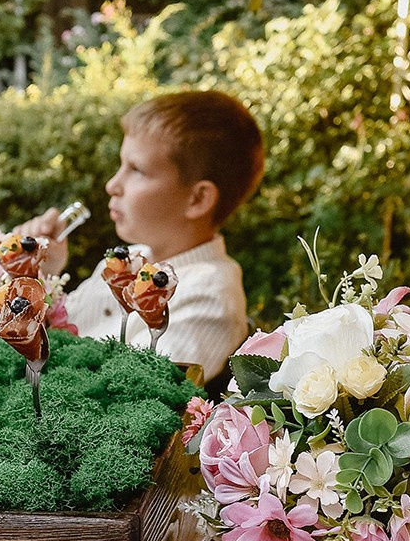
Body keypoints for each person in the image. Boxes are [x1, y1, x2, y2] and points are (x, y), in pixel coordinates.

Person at [31, 90, 264, 382]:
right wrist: (40, 274)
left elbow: (129, 394)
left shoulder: (209, 298)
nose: (112, 185)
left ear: (197, 199)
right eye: (121, 166)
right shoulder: (127, 260)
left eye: (137, 170)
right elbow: (50, 337)